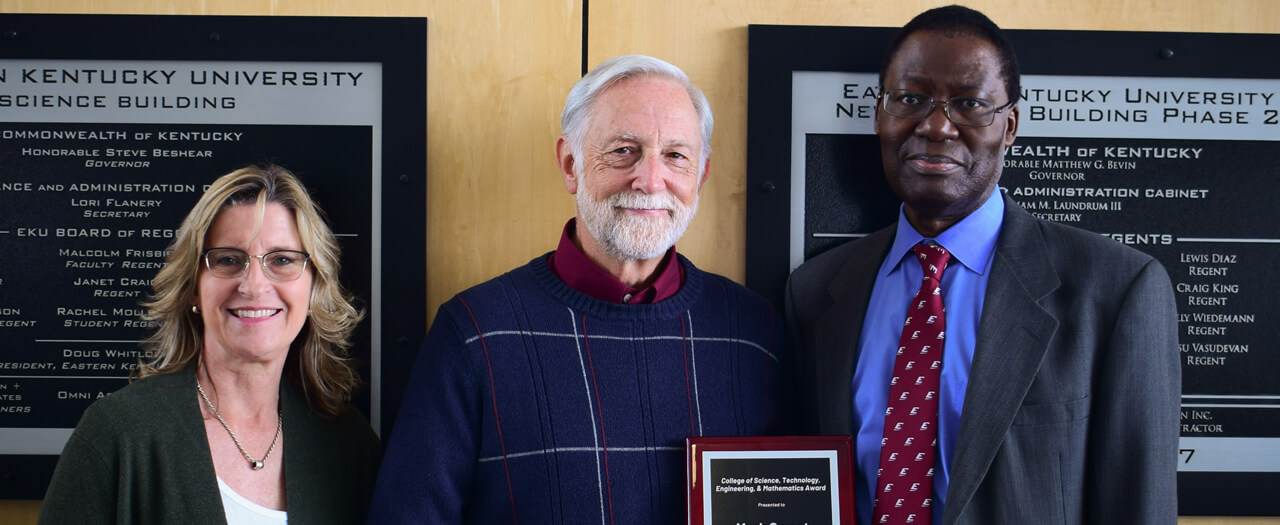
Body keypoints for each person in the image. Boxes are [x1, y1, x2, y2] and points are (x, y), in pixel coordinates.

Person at [786, 6, 1179, 525]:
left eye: (970, 104)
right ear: (879, 114)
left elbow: (1139, 505)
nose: (935, 126)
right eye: (910, 99)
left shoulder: (1118, 289)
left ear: (1009, 126)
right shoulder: (815, 292)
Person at [368, 54, 789, 523]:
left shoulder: (756, 331)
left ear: (702, 174)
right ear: (571, 164)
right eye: (624, 150)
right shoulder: (474, 333)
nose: (651, 181)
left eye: (675, 155)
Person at [40, 165, 381, 524]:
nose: (253, 286)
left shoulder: (349, 443)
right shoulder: (118, 433)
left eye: (282, 260)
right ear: (193, 288)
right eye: (228, 260)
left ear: (314, 287)